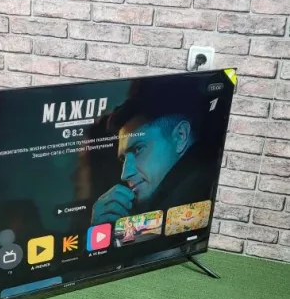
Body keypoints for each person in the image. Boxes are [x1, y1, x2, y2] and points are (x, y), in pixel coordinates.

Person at [92, 76, 214, 225]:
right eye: (123, 159)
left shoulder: (193, 193)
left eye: (138, 149)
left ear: (180, 136)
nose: (125, 174)